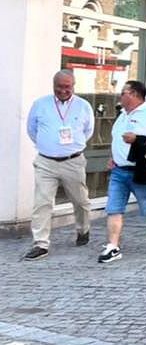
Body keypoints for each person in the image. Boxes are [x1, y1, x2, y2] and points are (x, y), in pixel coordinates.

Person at [24, 70, 95, 259]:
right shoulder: (40, 104)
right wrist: (47, 144)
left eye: (67, 86)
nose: (63, 90)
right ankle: (40, 243)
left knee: (80, 201)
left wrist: (72, 146)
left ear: (73, 86)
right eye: (59, 86)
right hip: (46, 161)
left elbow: (88, 131)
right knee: (42, 202)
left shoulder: (83, 106)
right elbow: (32, 130)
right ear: (53, 85)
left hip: (73, 161)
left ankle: (83, 229)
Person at [99, 80, 146, 263]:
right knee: (114, 208)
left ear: (134, 94)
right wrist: (112, 156)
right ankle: (112, 246)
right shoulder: (122, 114)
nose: (120, 96)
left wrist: (137, 139)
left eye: (123, 93)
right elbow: (116, 139)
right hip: (119, 170)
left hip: (140, 170)